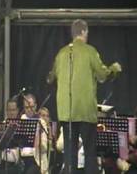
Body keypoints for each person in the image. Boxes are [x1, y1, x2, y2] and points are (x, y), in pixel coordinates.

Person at [47, 19, 122, 174]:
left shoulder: (61, 53)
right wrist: (114, 69)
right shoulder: (90, 51)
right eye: (87, 32)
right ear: (83, 32)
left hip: (66, 111)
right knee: (89, 152)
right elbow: (102, 75)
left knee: (69, 154)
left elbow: (50, 78)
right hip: (85, 111)